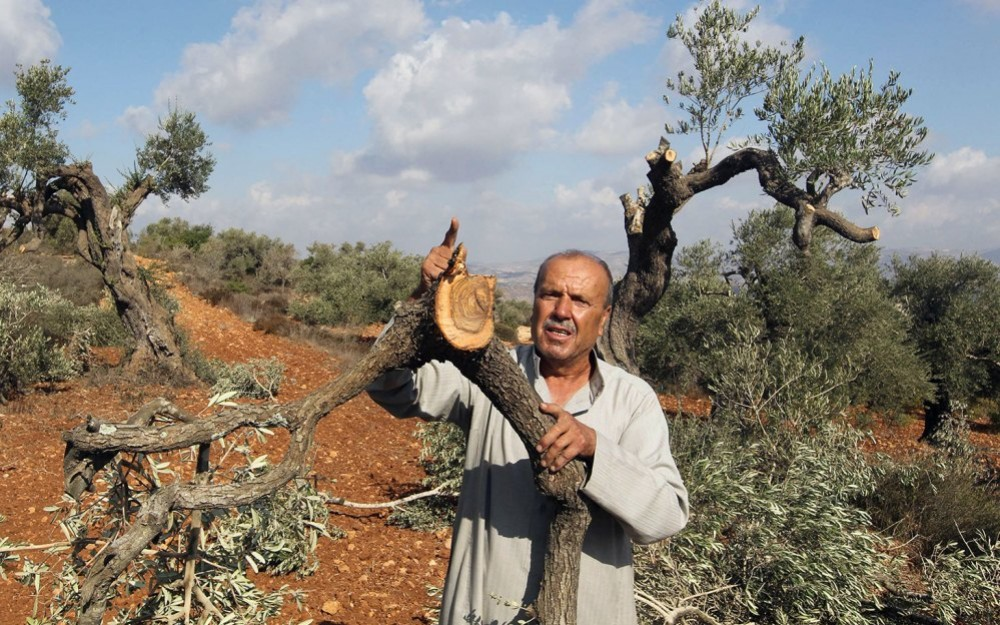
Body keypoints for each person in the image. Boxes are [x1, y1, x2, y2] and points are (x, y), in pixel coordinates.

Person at [367, 218, 688, 625]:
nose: (562, 311)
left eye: (580, 300)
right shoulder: (485, 370)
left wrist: (596, 449)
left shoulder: (632, 399)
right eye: (550, 294)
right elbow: (387, 384)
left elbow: (665, 517)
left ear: (604, 318)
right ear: (534, 302)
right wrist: (422, 303)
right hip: (482, 612)